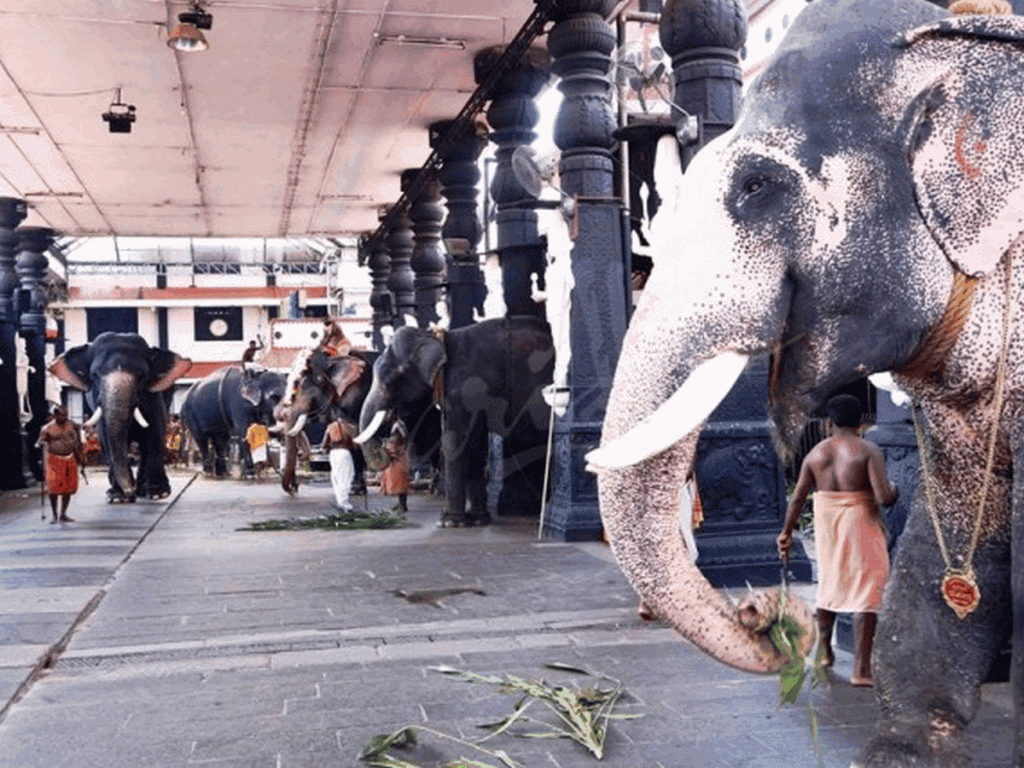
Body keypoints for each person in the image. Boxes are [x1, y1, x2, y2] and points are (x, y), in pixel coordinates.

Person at [777, 394, 898, 687]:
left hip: (828, 525)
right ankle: (861, 670)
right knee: (867, 593)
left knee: (830, 584)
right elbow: (883, 497)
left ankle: (826, 653)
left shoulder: (815, 454)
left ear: (829, 423)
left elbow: (796, 499)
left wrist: (786, 532)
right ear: (861, 423)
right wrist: (894, 488)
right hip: (861, 523)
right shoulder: (868, 450)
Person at [35, 405, 84, 524]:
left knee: (67, 489)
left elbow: (78, 442)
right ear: (55, 415)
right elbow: (39, 441)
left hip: (70, 458)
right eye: (61, 415)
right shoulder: (47, 428)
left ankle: (63, 514)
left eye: (65, 415)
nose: (63, 418)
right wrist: (39, 444)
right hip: (54, 461)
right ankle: (54, 515)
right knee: (54, 489)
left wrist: (80, 457)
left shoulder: (73, 425)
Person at [321, 415, 357, 510]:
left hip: (333, 454)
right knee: (347, 477)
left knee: (336, 477)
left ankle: (340, 501)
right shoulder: (349, 427)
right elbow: (355, 444)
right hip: (344, 452)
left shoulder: (330, 428)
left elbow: (324, 444)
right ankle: (343, 502)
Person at [379, 422, 410, 513]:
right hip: (402, 462)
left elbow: (390, 451)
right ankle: (402, 505)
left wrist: (384, 449)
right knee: (403, 487)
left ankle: (402, 506)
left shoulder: (394, 439)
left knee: (400, 486)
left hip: (396, 464)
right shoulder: (402, 440)